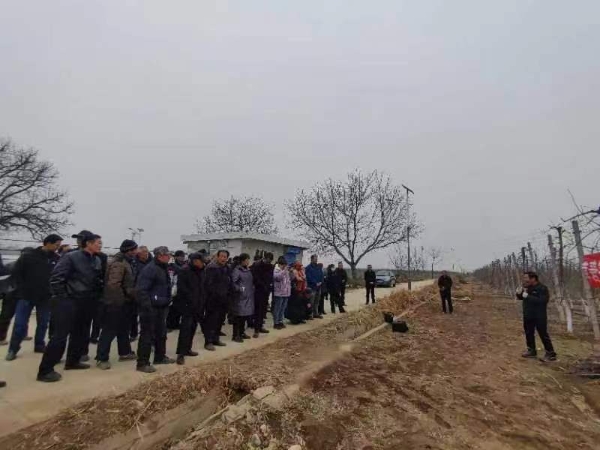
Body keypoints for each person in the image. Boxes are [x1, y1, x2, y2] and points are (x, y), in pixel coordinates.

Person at [37, 233, 104, 382]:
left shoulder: (96, 260)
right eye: (98, 242)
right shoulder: (71, 257)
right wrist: (64, 298)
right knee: (60, 336)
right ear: (88, 243)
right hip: (68, 301)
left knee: (80, 334)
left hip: (86, 302)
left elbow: (95, 280)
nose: (100, 245)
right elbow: (56, 279)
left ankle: (73, 361)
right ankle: (45, 370)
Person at [6, 234, 62, 361]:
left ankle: (39, 345)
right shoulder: (29, 256)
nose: (57, 247)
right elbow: (16, 274)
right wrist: (20, 289)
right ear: (48, 243)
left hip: (45, 297)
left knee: (43, 323)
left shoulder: (56, 259)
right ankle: (13, 349)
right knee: (20, 324)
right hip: (26, 296)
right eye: (56, 245)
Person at [95, 240, 138, 370]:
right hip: (115, 302)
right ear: (128, 250)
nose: (136, 252)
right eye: (134, 250)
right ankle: (101, 357)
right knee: (109, 330)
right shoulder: (118, 263)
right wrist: (122, 299)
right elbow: (114, 284)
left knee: (123, 328)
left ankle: (125, 352)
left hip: (124, 301)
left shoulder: (126, 261)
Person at [135, 246, 176, 373]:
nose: (169, 257)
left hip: (161, 307)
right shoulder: (150, 269)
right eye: (167, 255)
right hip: (150, 308)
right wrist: (147, 307)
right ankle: (142, 363)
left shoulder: (162, 268)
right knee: (147, 335)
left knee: (161, 334)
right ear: (159, 256)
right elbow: (141, 290)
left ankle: (160, 357)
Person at [516, 272, 557, 361]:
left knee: (543, 334)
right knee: (529, 333)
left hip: (539, 315)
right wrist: (519, 294)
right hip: (528, 315)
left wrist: (528, 296)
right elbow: (522, 298)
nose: (524, 280)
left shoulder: (542, 288)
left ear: (533, 278)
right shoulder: (527, 288)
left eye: (526, 278)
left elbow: (542, 301)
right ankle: (531, 350)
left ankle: (551, 353)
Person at [175, 252, 207, 365]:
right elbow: (182, 289)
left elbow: (203, 287)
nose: (203, 263)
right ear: (195, 261)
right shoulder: (184, 271)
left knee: (193, 328)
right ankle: (181, 354)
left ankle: (188, 349)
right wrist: (190, 300)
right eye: (201, 261)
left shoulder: (201, 271)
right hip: (187, 306)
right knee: (185, 329)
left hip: (198, 305)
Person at [203, 249, 231, 351]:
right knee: (211, 321)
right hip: (213, 299)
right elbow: (208, 285)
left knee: (220, 320)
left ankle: (216, 339)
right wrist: (215, 295)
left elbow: (228, 282)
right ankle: (208, 341)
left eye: (225, 257)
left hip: (223, 299)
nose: (223, 258)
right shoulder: (211, 268)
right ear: (217, 257)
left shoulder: (226, 268)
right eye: (221, 256)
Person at [129, 246, 152, 341]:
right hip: (136, 291)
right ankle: (133, 333)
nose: (145, 254)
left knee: (147, 316)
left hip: (148, 292)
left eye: (146, 252)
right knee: (133, 315)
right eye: (143, 252)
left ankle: (146, 335)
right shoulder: (134, 263)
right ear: (138, 254)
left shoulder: (152, 262)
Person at [231, 253, 255, 342]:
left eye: (248, 260)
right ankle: (235, 335)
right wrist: (240, 289)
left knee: (244, 317)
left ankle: (241, 332)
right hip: (239, 297)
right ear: (242, 261)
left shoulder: (248, 270)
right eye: (246, 260)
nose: (248, 262)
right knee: (238, 317)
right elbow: (233, 283)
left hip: (248, 296)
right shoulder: (237, 270)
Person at [251, 253, 273, 336]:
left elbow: (270, 277)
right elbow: (255, 278)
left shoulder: (270, 266)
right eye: (267, 260)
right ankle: (256, 329)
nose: (268, 262)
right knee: (258, 310)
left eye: (270, 261)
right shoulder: (257, 265)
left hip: (266, 291)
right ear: (265, 258)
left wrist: (269, 286)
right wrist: (262, 285)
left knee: (263, 310)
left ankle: (260, 326)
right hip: (258, 290)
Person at [166, 250, 187, 331]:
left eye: (183, 256)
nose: (182, 258)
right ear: (176, 257)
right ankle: (169, 325)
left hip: (181, 289)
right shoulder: (172, 265)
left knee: (179, 308)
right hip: (173, 288)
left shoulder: (184, 264)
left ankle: (176, 323)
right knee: (172, 309)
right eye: (180, 256)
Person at [272, 256, 291, 329]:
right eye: (283, 265)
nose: (284, 267)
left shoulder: (285, 271)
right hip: (279, 293)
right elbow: (277, 278)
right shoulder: (276, 270)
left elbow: (289, 280)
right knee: (277, 308)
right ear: (280, 264)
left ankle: (280, 321)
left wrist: (291, 272)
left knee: (283, 308)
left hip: (286, 293)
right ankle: (276, 323)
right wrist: (284, 271)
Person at [305, 255, 324, 319]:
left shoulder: (318, 267)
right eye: (315, 259)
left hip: (318, 287)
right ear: (312, 259)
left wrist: (321, 282)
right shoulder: (308, 268)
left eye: (316, 259)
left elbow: (321, 275)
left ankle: (316, 313)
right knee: (311, 302)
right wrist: (315, 283)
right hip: (312, 287)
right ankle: (310, 314)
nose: (316, 260)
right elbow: (308, 277)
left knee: (317, 301)